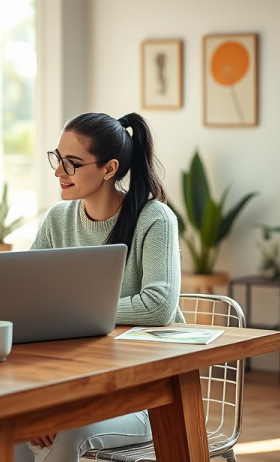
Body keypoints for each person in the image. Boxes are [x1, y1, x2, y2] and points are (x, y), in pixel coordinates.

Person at [15, 112, 183, 462]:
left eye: (72, 164)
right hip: (75, 385)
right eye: (58, 160)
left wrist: (69, 312)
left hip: (146, 395)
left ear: (109, 169)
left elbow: (158, 305)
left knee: (67, 433)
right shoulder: (58, 220)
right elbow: (27, 298)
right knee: (9, 430)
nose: (59, 172)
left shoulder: (154, 219)